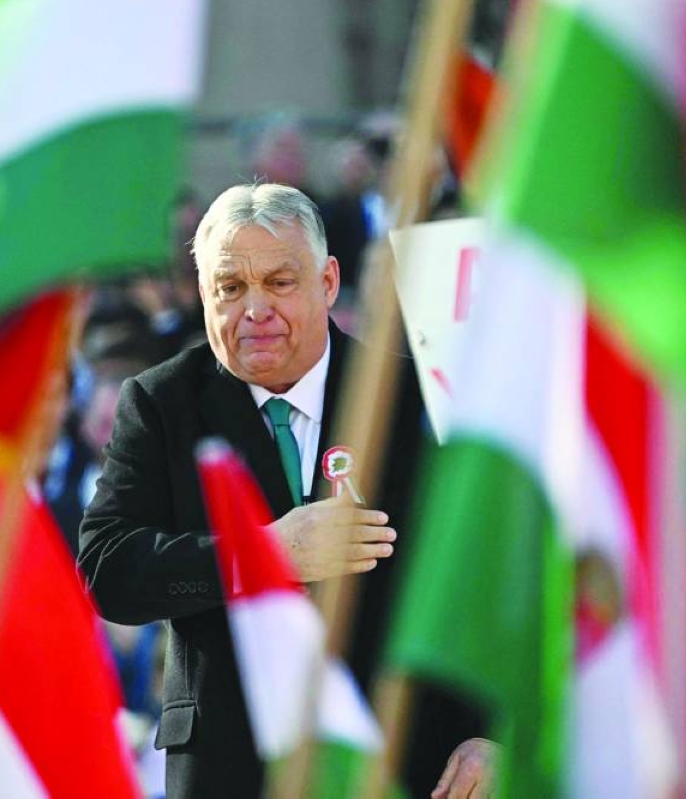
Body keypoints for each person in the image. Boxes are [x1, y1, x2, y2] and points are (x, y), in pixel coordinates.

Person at [78, 184, 493, 798]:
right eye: (230, 287)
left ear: (327, 282)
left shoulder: (408, 398)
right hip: (232, 768)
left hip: (403, 763)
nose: (255, 309)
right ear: (203, 294)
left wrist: (488, 730)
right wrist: (263, 554)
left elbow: (481, 575)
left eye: (279, 282)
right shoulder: (161, 404)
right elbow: (108, 569)